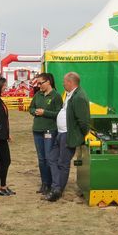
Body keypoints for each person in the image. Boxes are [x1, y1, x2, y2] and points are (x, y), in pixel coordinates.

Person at [46, 72, 91, 202]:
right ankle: (56, 186)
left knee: (63, 163)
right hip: (61, 133)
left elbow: (84, 121)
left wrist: (79, 135)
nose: (62, 83)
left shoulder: (79, 97)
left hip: (68, 135)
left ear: (71, 83)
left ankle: (57, 190)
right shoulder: (71, 95)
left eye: (64, 81)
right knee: (52, 158)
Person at [29, 72, 63, 196]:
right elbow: (30, 108)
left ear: (48, 82)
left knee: (49, 158)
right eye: (38, 83)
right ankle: (44, 183)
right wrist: (35, 111)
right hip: (37, 130)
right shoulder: (38, 95)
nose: (38, 86)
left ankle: (52, 184)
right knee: (41, 159)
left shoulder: (56, 96)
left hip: (49, 130)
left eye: (40, 83)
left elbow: (58, 114)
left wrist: (45, 112)